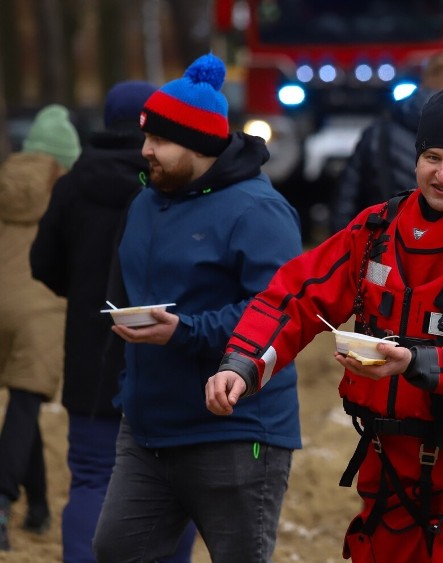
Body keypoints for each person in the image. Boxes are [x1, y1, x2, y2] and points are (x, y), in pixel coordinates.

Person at [206, 82, 443, 562]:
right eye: (432, 156)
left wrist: (420, 363)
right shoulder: (376, 230)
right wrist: (241, 363)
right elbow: (294, 296)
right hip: (387, 472)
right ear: (415, 158)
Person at [90, 54, 303, 563]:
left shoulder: (259, 210)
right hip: (146, 429)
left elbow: (281, 312)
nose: (145, 152)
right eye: (146, 138)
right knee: (116, 552)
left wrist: (185, 330)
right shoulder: (146, 201)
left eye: (159, 141)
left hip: (234, 430)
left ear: (200, 144)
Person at [30, 81, 196, 563]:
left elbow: (43, 262)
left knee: (90, 477)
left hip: (91, 355)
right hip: (166, 352)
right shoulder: (176, 180)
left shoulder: (76, 181)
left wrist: (85, 294)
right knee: (172, 487)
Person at [0, 104, 80, 550]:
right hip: (42, 305)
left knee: (20, 397)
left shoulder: (6, 179)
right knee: (27, 400)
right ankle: (3, 497)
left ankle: (38, 508)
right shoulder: (66, 188)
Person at [330, 50, 443, 232]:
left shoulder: (379, 130)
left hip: (385, 244)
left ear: (424, 81)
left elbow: (347, 197)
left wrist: (347, 244)